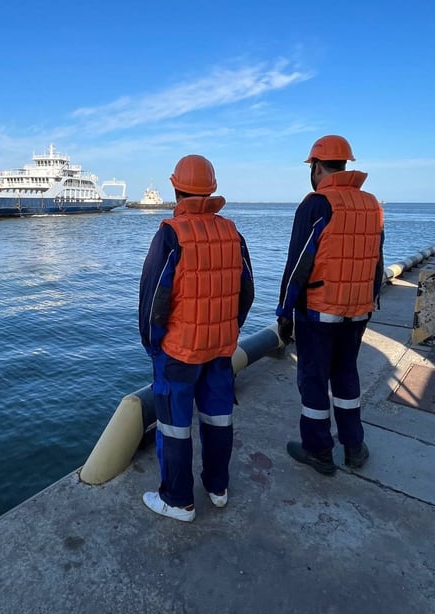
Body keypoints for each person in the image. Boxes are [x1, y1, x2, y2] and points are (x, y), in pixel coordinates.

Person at [139, 154, 254, 522]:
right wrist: (229, 328)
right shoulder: (232, 232)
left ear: (175, 188)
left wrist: (152, 344)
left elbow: (153, 297)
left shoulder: (170, 234)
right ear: (212, 189)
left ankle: (178, 500)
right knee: (219, 419)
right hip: (221, 349)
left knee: (174, 426)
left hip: (179, 352)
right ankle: (217, 488)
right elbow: (247, 290)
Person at [276, 135, 384, 475]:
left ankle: (318, 450)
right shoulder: (372, 204)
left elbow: (297, 265)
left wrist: (284, 313)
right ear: (346, 164)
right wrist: (371, 301)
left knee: (313, 378)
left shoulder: (315, 205)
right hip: (358, 310)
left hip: (318, 311)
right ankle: (354, 446)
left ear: (317, 166)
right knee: (346, 373)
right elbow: (377, 262)